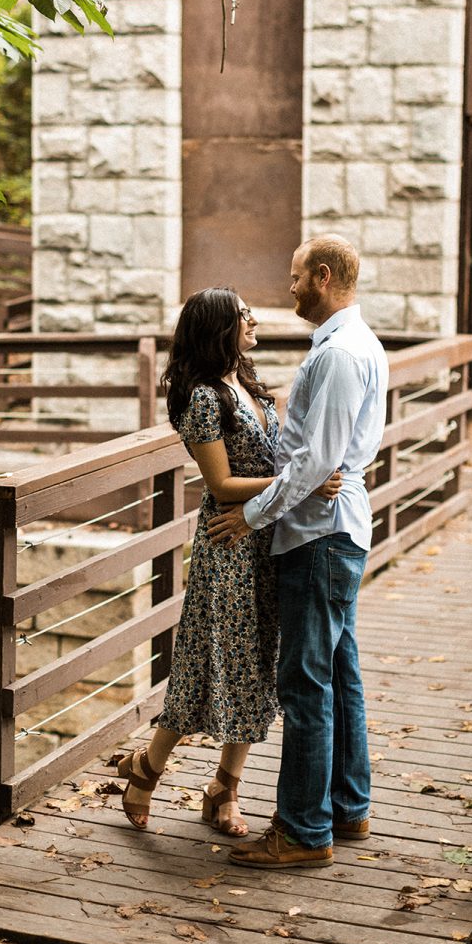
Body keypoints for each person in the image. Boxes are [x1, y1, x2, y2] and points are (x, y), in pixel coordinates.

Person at [116, 287, 341, 837]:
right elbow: (220, 484)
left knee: (260, 667)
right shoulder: (202, 398)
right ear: (219, 326)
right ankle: (146, 771)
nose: (254, 318)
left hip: (268, 537)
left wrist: (296, 484)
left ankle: (223, 788)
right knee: (203, 665)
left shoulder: (247, 380)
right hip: (230, 547)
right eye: (243, 314)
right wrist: (301, 485)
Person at [208, 235, 388, 870]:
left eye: (295, 278)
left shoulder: (341, 353)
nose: (288, 290)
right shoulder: (348, 344)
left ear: (324, 274)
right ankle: (348, 806)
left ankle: (304, 831)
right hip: (330, 527)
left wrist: (252, 515)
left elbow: (317, 460)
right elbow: (319, 457)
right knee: (339, 673)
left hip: (320, 534)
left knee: (306, 682)